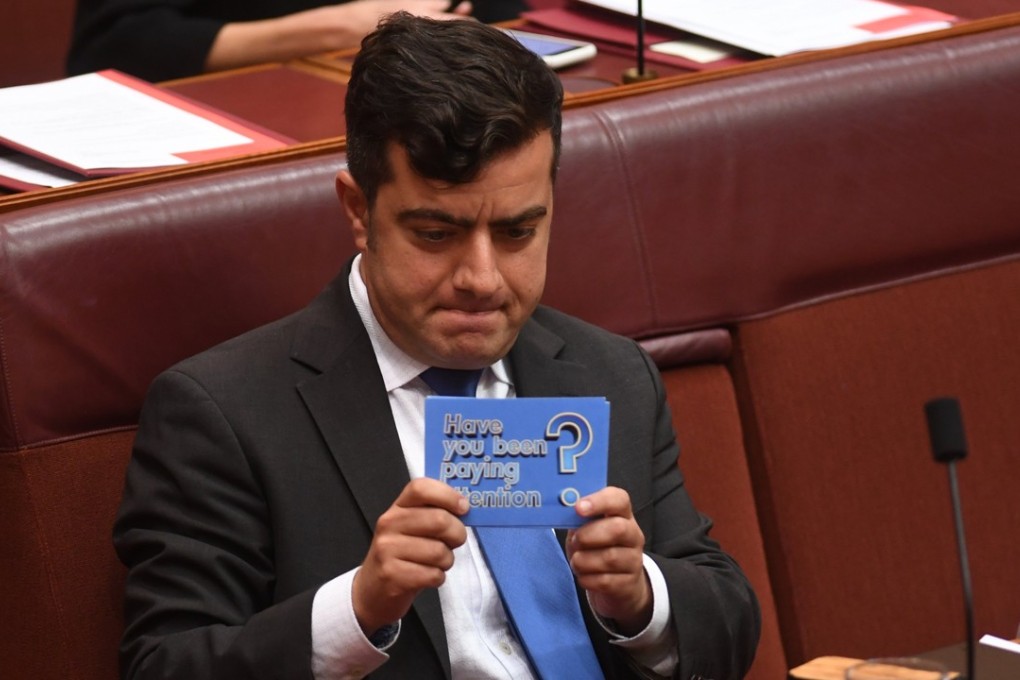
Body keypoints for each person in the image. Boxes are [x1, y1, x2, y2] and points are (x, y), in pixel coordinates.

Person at [114, 12, 761, 680]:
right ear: (359, 211)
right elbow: (166, 666)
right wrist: (358, 608)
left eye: (516, 234)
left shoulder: (608, 373)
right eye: (436, 234)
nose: (481, 280)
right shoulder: (225, 414)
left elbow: (727, 625)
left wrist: (640, 597)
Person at [66, 0, 526, 82]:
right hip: (253, 112)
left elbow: (503, 14)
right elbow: (112, 45)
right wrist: (334, 28)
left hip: (435, 93)